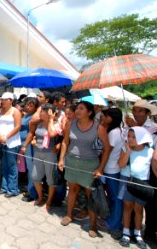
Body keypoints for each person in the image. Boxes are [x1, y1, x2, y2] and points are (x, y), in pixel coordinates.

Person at [58, 101, 110, 238]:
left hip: (90, 164)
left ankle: (93, 225)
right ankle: (69, 215)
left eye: (81, 108)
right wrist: (61, 159)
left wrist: (100, 168)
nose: (77, 111)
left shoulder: (99, 128)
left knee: (90, 195)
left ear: (90, 112)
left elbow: (107, 149)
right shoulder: (71, 124)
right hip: (72, 161)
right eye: (77, 108)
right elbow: (65, 142)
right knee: (72, 189)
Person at [117, 127, 156, 248]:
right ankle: (126, 232)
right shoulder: (125, 148)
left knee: (139, 209)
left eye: (134, 137)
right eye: (129, 136)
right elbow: (121, 165)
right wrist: (128, 151)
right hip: (127, 180)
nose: (130, 139)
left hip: (142, 183)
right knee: (127, 206)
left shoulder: (149, 151)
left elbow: (154, 167)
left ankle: (138, 233)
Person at [27, 104, 59, 211]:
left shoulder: (55, 124)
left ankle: (49, 201)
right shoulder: (39, 123)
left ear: (49, 113)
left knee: (50, 179)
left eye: (42, 111)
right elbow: (35, 133)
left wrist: (50, 120)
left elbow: (52, 134)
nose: (40, 113)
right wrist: (34, 139)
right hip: (38, 152)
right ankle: (41, 197)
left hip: (50, 154)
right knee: (35, 177)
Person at [100, 108, 124, 239]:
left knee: (115, 198)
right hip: (110, 168)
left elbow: (107, 151)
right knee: (111, 196)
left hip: (111, 169)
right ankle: (110, 219)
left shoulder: (114, 132)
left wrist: (101, 167)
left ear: (112, 118)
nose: (103, 117)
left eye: (106, 116)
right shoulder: (114, 131)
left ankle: (113, 224)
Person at [0, 92, 22, 198]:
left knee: (12, 166)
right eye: (2, 99)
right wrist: (0, 135)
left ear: (10, 100)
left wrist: (6, 137)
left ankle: (12, 189)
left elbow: (17, 126)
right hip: (1, 141)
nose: (2, 101)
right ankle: (4, 187)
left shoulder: (16, 111)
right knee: (3, 165)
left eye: (5, 99)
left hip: (12, 142)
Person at [19, 97, 39, 203]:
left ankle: (33, 193)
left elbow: (31, 133)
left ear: (36, 107)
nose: (28, 107)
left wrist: (25, 146)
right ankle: (29, 188)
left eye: (31, 105)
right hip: (22, 143)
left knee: (31, 169)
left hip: (28, 145)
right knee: (27, 169)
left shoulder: (34, 117)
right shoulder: (26, 115)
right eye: (27, 104)